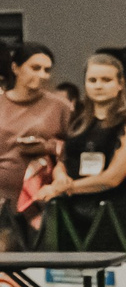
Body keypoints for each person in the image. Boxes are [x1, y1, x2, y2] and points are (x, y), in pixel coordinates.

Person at [36, 53, 126, 248]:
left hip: (111, 212)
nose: (98, 85)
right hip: (72, 210)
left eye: (106, 80)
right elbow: (62, 161)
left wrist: (66, 187)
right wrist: (60, 177)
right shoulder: (77, 122)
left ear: (120, 84)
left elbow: (113, 177)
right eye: (92, 80)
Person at [3, 44, 74, 251]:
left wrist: (47, 147)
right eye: (35, 68)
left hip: (40, 198)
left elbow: (73, 148)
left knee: (39, 265)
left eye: (47, 70)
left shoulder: (59, 106)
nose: (42, 75)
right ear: (16, 68)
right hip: (2, 195)